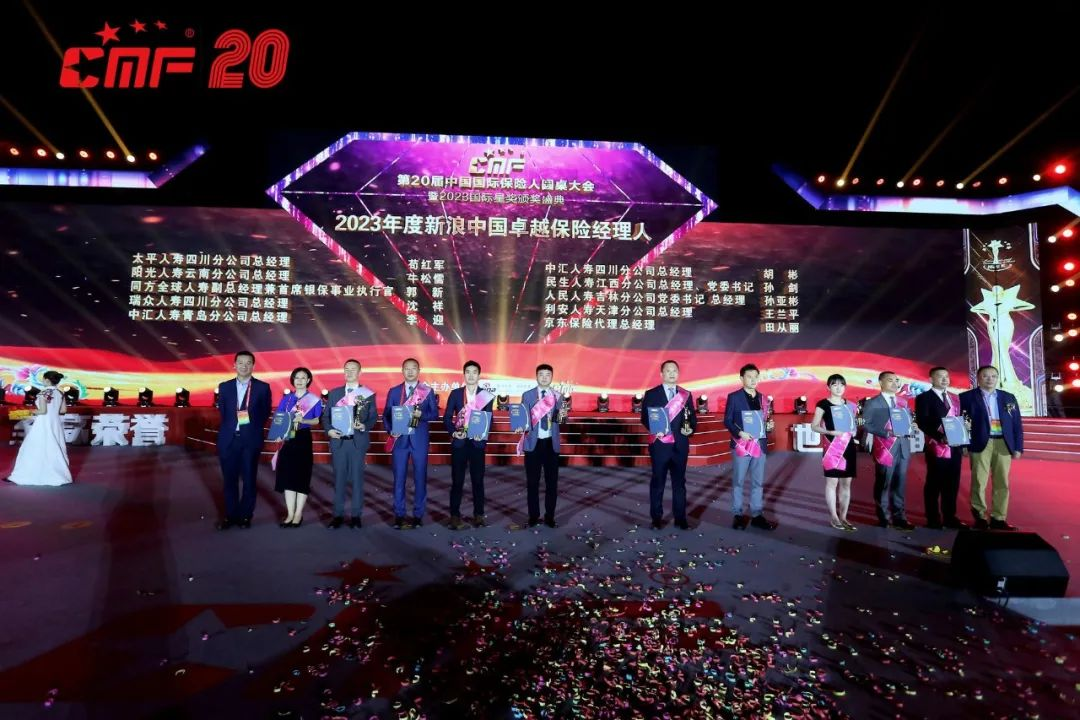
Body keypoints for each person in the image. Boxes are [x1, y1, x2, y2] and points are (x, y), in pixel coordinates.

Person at [960, 365, 1024, 530]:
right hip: (980, 442)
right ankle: (980, 517)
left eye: (993, 376)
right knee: (979, 482)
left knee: (1002, 482)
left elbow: (1017, 423)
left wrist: (1018, 447)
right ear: (978, 378)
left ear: (997, 378)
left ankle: (998, 518)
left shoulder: (1008, 397)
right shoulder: (966, 397)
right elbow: (962, 422)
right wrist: (964, 444)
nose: (990, 379)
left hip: (1003, 443)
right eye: (985, 376)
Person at [215, 351, 272, 529]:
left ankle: (246, 515)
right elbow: (223, 412)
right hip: (229, 440)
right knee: (229, 480)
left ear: (253, 366)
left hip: (250, 440)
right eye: (240, 362)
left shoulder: (262, 387)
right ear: (234, 365)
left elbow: (265, 413)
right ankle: (230, 515)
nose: (244, 366)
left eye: (248, 363)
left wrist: (250, 428)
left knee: (249, 479)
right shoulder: (224, 387)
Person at [640, 360, 697, 530]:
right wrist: (654, 429)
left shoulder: (686, 395)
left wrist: (690, 429)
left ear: (678, 374)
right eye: (668, 371)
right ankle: (656, 518)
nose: (672, 374)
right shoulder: (651, 394)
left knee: (679, 483)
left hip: (680, 445)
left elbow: (692, 419)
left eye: (675, 371)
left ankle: (680, 518)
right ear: (662, 374)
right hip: (660, 445)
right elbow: (645, 418)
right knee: (658, 482)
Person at [383, 358, 439, 529]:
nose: (410, 371)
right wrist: (390, 430)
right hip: (400, 440)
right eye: (406, 368)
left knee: (420, 478)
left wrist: (421, 415)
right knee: (399, 478)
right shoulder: (394, 391)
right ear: (402, 371)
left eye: (413, 368)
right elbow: (386, 415)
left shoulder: (426, 391)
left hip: (419, 440)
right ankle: (399, 514)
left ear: (419, 370)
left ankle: (418, 515)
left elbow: (434, 414)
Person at [322, 359, 377, 529]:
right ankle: (337, 515)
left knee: (357, 480)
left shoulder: (367, 394)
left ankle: (355, 515)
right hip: (339, 442)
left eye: (353, 369)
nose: (350, 372)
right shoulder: (334, 393)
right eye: (347, 369)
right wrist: (329, 430)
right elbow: (326, 417)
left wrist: (364, 426)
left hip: (357, 442)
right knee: (339, 479)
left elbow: (373, 417)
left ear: (360, 372)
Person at [723, 363, 778, 531]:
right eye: (749, 377)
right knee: (738, 481)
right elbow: (727, 420)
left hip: (759, 445)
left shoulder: (764, 399)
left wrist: (769, 426)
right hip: (742, 445)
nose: (753, 380)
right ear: (742, 378)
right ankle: (738, 515)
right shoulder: (734, 397)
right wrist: (740, 433)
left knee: (757, 482)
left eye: (756, 377)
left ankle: (757, 515)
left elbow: (765, 422)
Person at [442, 360, 495, 529]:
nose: (471, 375)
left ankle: (479, 515)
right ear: (464, 374)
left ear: (479, 375)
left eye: (474, 372)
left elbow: (489, 419)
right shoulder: (456, 394)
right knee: (457, 481)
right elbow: (447, 417)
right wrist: (453, 432)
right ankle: (454, 515)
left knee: (478, 481)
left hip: (477, 444)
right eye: (468, 372)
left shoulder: (485, 396)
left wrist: (483, 435)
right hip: (460, 442)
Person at [914, 366, 968, 529]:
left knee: (952, 483)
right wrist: (939, 437)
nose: (945, 379)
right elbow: (922, 422)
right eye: (940, 376)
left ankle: (950, 517)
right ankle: (933, 519)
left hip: (955, 446)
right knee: (934, 483)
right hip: (937, 446)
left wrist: (964, 437)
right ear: (931, 379)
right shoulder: (924, 398)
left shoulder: (954, 398)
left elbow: (960, 419)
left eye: (946, 376)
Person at [862, 371, 916, 531]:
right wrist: (886, 433)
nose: (895, 383)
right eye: (890, 380)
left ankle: (900, 517)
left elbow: (908, 421)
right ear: (881, 382)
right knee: (884, 482)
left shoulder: (903, 402)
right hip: (885, 448)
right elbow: (866, 424)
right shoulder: (872, 403)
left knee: (900, 484)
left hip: (903, 447)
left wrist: (912, 426)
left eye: (897, 380)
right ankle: (884, 517)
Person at [518, 363, 568, 528]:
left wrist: (563, 414)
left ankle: (549, 516)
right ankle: (533, 516)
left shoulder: (558, 396)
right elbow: (523, 419)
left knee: (551, 483)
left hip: (551, 444)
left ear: (552, 377)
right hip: (533, 444)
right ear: (536, 376)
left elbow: (562, 420)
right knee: (532, 482)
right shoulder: (527, 395)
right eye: (541, 374)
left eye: (548, 375)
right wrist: (519, 425)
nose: (544, 378)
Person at [273, 367, 323, 528]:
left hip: (303, 438)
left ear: (308, 380)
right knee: (288, 475)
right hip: (288, 437)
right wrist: (278, 434)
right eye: (297, 378)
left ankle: (298, 514)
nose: (299, 381)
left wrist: (304, 421)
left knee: (302, 475)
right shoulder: (287, 399)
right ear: (293, 380)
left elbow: (317, 420)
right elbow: (279, 417)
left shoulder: (314, 399)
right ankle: (289, 513)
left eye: (303, 378)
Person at [809, 374, 858, 531]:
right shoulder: (823, 404)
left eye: (841, 385)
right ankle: (834, 517)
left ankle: (843, 517)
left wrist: (853, 432)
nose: (839, 388)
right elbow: (814, 426)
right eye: (835, 384)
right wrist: (830, 432)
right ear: (828, 387)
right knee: (832, 483)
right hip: (832, 447)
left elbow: (853, 425)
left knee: (846, 483)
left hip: (848, 446)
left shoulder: (851, 405)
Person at [7, 370, 72, 486]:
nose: (42, 381)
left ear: (47, 380)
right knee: (55, 447)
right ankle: (58, 475)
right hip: (55, 423)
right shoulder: (60, 393)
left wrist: (26, 412)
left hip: (43, 423)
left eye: (43, 379)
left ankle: (27, 474)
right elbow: (63, 410)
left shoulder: (43, 393)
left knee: (33, 448)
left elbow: (42, 411)